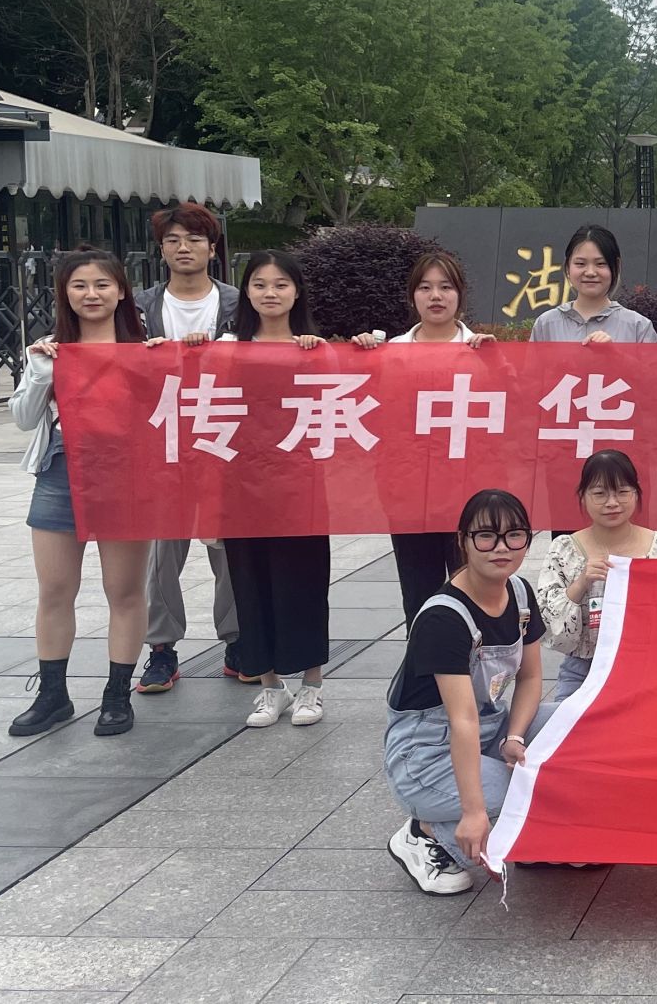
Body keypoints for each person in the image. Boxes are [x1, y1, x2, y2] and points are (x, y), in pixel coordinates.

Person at [8, 249, 154, 739]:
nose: (91, 294)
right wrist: (40, 373)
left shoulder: (146, 351)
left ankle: (117, 696)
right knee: (54, 589)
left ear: (121, 291)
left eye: (101, 284)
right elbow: (23, 419)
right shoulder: (50, 350)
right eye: (79, 286)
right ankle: (53, 695)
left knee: (124, 590)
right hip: (59, 473)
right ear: (65, 294)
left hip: (126, 479)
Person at [384, 488, 545, 895]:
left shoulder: (520, 593)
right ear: (463, 541)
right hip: (426, 754)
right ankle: (424, 832)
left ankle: (526, 834)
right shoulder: (444, 617)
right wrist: (474, 812)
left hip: (490, 729)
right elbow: (462, 719)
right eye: (486, 536)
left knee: (574, 730)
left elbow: (530, 679)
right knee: (531, 793)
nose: (501, 548)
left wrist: (515, 737)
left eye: (514, 535)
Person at [219, 252, 334, 729]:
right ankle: (270, 687)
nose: (270, 293)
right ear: (245, 291)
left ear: (297, 292)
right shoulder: (226, 347)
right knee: (250, 583)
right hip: (240, 485)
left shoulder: (315, 348)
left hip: (300, 484)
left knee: (304, 581)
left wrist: (342, 350)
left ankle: (312, 686)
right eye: (260, 284)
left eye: (281, 284)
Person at [134, 203, 242, 694]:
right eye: (173, 240)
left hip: (223, 437)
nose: (184, 248)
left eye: (194, 239)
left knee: (231, 548)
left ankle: (237, 640)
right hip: (164, 440)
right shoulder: (140, 306)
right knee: (163, 550)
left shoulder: (238, 302)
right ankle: (161, 648)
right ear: (161, 250)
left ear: (212, 249)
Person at [352, 251, 490, 618]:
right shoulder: (390, 354)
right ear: (412, 295)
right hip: (408, 494)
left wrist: (499, 364)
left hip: (467, 493)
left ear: (460, 294)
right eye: (425, 288)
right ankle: (424, 655)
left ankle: (476, 655)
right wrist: (360, 357)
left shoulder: (482, 352)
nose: (436, 296)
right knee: (419, 596)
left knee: (475, 590)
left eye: (446, 287)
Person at [532, 451, 657, 721]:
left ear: (636, 493)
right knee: (565, 733)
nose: (612, 503)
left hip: (646, 670)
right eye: (599, 494)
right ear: (583, 497)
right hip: (583, 671)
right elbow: (551, 631)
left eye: (622, 492)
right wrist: (581, 583)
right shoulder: (564, 549)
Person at [528, 224, 657, 344]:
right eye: (580, 263)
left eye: (600, 263)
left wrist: (615, 355)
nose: (590, 272)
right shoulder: (546, 325)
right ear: (567, 267)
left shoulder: (638, 327)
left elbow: (656, 365)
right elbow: (532, 365)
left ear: (616, 266)